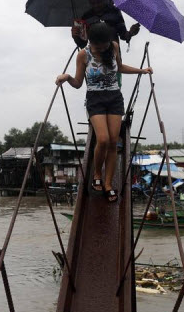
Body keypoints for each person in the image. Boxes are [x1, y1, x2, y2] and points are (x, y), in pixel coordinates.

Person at [56, 22, 152, 203]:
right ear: (90, 42)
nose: (101, 49)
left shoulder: (114, 46)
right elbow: (78, 83)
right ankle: (96, 174)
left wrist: (142, 71)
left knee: (114, 142)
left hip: (114, 98)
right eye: (97, 46)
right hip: (95, 99)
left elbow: (120, 68)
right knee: (103, 139)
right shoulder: (83, 55)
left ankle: (108, 184)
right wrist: (66, 77)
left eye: (104, 45)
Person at [71, 0, 140, 49]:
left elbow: (123, 35)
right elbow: (82, 44)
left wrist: (131, 33)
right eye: (93, 2)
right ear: (89, 1)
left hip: (114, 56)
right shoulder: (86, 17)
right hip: (94, 58)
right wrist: (76, 36)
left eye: (99, 1)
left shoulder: (114, 12)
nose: (96, 5)